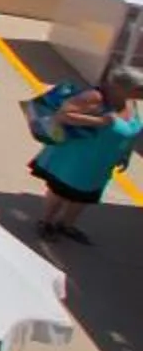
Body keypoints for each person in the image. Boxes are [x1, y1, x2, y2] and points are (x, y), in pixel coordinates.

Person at [31, 67, 143, 243]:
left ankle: (66, 225)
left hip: (102, 162)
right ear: (122, 87)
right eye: (140, 89)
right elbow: (63, 114)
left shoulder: (131, 103)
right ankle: (46, 222)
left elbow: (132, 130)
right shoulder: (95, 97)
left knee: (86, 195)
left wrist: (125, 155)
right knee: (61, 191)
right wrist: (100, 121)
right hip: (74, 158)